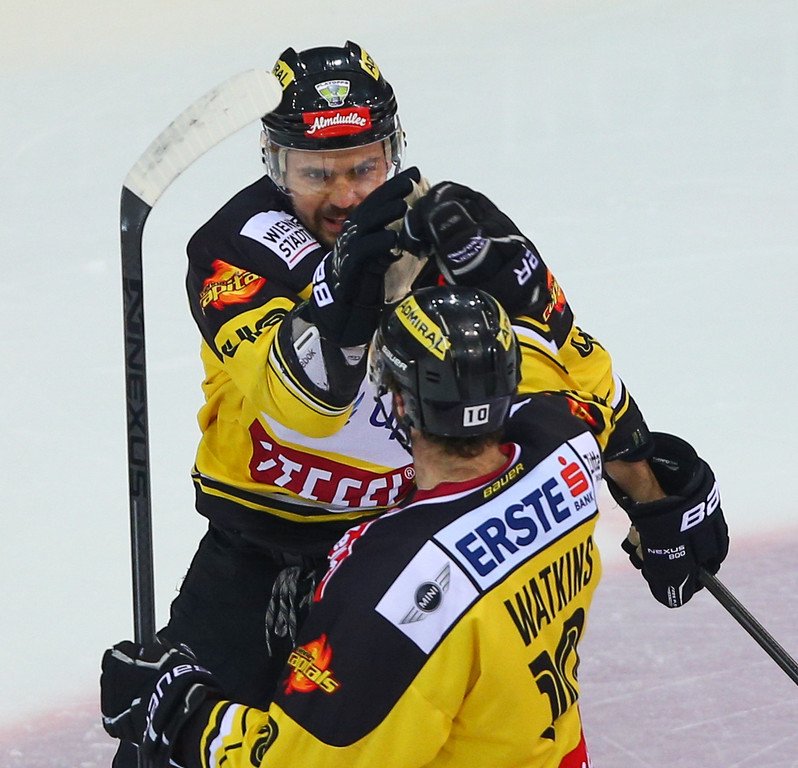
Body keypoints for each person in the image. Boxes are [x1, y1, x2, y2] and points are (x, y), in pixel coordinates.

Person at [110, 37, 719, 765]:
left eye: (364, 167)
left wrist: (647, 484)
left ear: (392, 151)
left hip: (398, 546)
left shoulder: (446, 232)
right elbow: (296, 405)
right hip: (257, 550)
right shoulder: (237, 248)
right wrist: (336, 303)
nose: (344, 195)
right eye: (316, 173)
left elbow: (554, 356)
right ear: (275, 164)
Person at [100, 286, 730, 768]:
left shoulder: (394, 583)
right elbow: (578, 391)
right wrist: (661, 489)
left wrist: (179, 710)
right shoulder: (566, 444)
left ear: (396, 402)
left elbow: (304, 761)